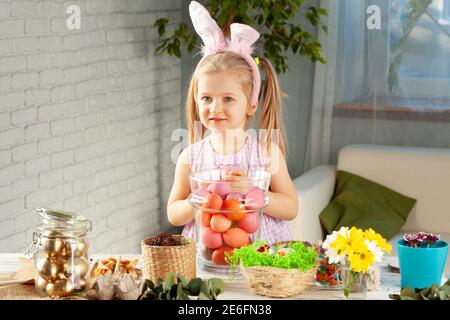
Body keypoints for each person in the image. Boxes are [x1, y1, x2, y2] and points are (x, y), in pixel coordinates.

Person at [167, 1, 298, 244]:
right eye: (206, 98)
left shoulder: (266, 152)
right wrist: (199, 197)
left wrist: (252, 191)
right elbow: (174, 214)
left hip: (259, 261)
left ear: (251, 104)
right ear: (196, 101)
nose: (215, 108)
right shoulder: (190, 157)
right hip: (206, 259)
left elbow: (290, 207)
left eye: (228, 98)